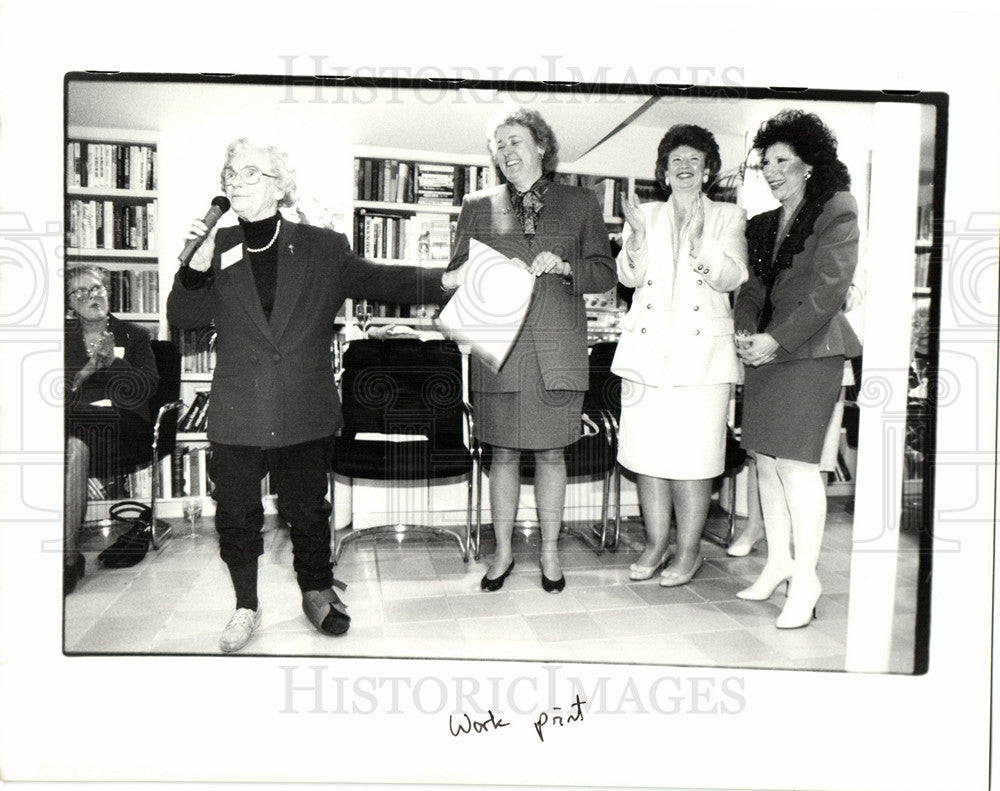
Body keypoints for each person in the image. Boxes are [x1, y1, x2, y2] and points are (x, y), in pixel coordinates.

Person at [167, 138, 467, 652]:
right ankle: (245, 605)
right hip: (238, 408)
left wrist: (445, 278)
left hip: (303, 405)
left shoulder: (321, 246)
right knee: (237, 515)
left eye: (248, 173)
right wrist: (193, 265)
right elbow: (183, 318)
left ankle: (315, 590)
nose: (234, 183)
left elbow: (381, 279)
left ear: (280, 186)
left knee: (307, 510)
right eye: (230, 175)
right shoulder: (217, 248)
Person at [445, 106, 616, 593]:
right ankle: (500, 554)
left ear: (541, 145)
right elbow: (455, 274)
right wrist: (474, 277)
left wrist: (565, 266)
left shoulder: (581, 203)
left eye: (515, 141)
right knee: (501, 455)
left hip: (556, 353)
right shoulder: (477, 204)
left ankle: (549, 553)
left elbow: (604, 273)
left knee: (551, 457)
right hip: (497, 351)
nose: (505, 152)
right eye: (498, 145)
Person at [733, 110, 862, 628]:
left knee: (796, 466)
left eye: (782, 160)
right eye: (766, 162)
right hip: (764, 351)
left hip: (810, 351)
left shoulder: (837, 207)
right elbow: (752, 289)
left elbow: (830, 288)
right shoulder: (763, 222)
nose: (772, 170)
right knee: (765, 461)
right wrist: (745, 331)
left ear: (809, 163)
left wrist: (774, 339)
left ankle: (806, 578)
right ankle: (779, 563)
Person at [611, 125, 748, 585]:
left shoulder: (729, 216)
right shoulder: (645, 214)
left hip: (703, 359)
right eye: (676, 161)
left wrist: (699, 242)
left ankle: (688, 553)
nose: (685, 167)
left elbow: (731, 278)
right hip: (646, 353)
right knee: (648, 457)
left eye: (694, 160)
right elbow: (628, 280)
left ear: (707, 169)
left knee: (694, 460)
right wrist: (633, 239)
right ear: (664, 171)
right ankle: (654, 547)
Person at [64, 264, 159, 594]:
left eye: (98, 289)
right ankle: (67, 557)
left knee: (71, 434)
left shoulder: (135, 335)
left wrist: (113, 363)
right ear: (70, 304)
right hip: (77, 435)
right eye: (81, 292)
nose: (92, 297)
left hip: (124, 433)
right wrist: (87, 370)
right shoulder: (60, 340)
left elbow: (147, 387)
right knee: (72, 446)